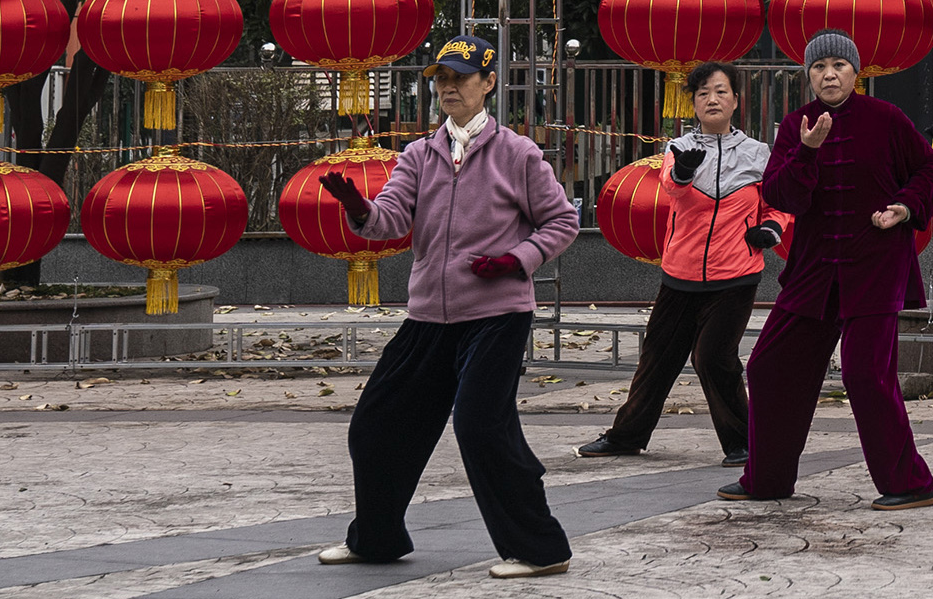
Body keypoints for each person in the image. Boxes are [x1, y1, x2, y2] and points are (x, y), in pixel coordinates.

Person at [313, 36, 581, 579]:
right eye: (441, 78)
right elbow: (389, 219)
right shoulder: (419, 153)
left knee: (482, 427)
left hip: (497, 316)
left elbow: (562, 221)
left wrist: (518, 259)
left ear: (487, 85)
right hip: (429, 318)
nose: (449, 87)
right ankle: (377, 539)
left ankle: (539, 549)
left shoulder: (519, 153)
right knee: (375, 426)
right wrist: (358, 208)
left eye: (460, 77)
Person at [722, 31, 933, 510]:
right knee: (769, 367)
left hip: (875, 264)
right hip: (815, 269)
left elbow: (929, 169)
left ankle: (909, 482)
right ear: (808, 76)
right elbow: (782, 197)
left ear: (855, 72)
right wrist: (807, 151)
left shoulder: (886, 118)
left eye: (839, 65)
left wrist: (904, 208)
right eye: (818, 68)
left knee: (866, 375)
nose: (828, 75)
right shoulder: (795, 125)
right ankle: (768, 479)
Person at [577, 57, 789, 465]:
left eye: (720, 91)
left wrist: (771, 229)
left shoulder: (760, 154)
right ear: (692, 103)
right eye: (703, 93)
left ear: (735, 100)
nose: (712, 99)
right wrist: (685, 172)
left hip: (736, 276)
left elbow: (778, 204)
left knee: (714, 357)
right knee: (657, 359)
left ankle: (743, 443)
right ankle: (626, 436)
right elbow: (672, 191)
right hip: (680, 275)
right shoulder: (679, 149)